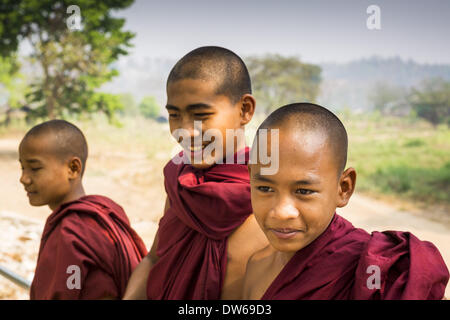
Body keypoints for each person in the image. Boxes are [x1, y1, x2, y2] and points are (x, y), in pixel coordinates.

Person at [242, 102, 449, 300]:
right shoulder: (256, 266)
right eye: (265, 188)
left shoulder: (376, 271)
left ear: (344, 188)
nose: (282, 212)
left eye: (304, 191)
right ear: (250, 178)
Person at [123, 46, 268, 300]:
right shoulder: (182, 183)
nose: (185, 131)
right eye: (174, 115)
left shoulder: (269, 190)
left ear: (245, 110)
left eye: (201, 115)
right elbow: (154, 258)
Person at [19, 119, 147, 299]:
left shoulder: (71, 231)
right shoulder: (104, 213)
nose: (24, 178)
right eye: (23, 167)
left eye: (35, 168)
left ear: (73, 168)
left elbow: (66, 291)